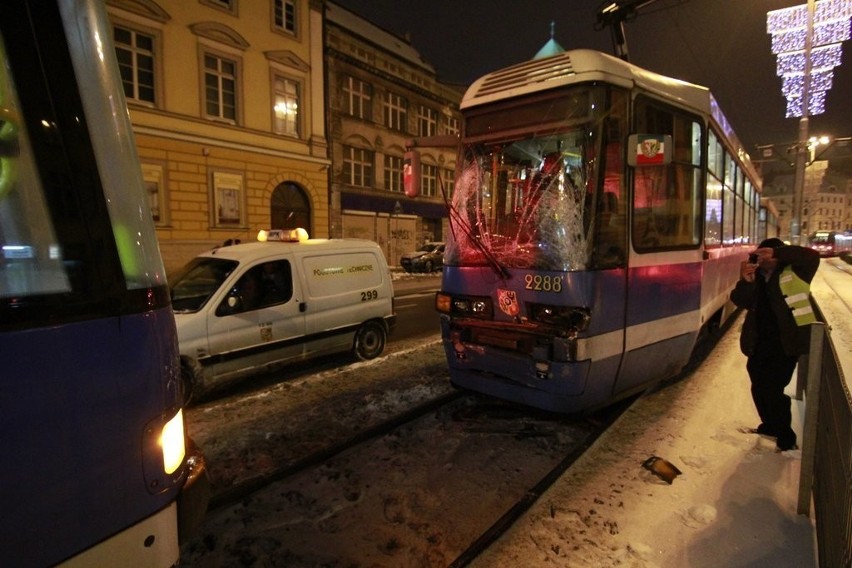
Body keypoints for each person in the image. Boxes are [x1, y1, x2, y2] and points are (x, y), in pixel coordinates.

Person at [730, 237, 820, 452]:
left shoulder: (796, 271)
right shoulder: (757, 277)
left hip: (786, 342)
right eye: (761, 255)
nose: (763, 260)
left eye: (767, 255)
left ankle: (786, 437)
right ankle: (769, 426)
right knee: (758, 385)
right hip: (759, 341)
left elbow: (812, 256)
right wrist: (746, 281)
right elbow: (741, 300)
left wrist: (778, 253)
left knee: (772, 388)